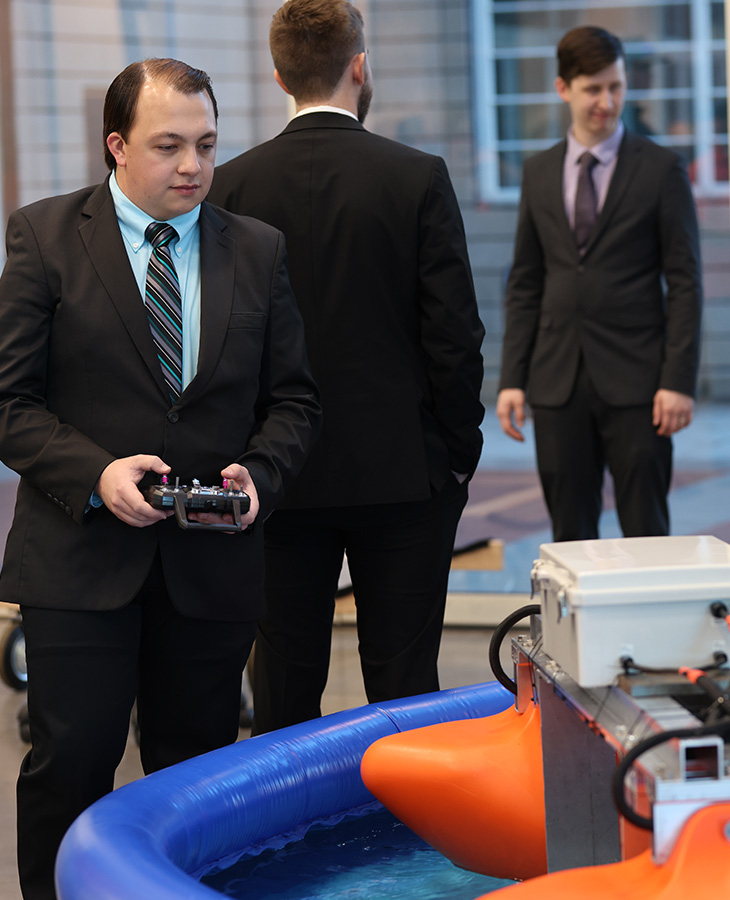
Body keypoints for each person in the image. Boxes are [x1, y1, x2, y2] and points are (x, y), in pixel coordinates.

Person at [0, 58, 321, 900]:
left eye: (207, 145)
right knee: (69, 768)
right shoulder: (41, 237)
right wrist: (97, 472)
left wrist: (260, 472)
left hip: (210, 568)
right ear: (116, 146)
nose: (194, 167)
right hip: (79, 564)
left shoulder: (256, 249)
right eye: (170, 146)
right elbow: (10, 404)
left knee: (199, 783)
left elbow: (293, 401)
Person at [208, 0, 485, 735]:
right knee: (404, 685)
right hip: (402, 473)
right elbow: (453, 335)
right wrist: (457, 453)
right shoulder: (417, 176)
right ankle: (404, 842)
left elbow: (218, 347)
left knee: (284, 685)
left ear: (278, 76)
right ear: (359, 67)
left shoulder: (231, 186)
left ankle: (283, 843)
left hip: (276, 476)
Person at [496, 26, 702, 542]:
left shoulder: (661, 170)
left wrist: (677, 380)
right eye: (593, 89)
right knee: (569, 536)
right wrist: (512, 378)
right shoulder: (539, 172)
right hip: (557, 384)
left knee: (647, 532)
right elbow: (526, 281)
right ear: (563, 88)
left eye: (616, 86)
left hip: (640, 386)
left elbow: (685, 281)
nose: (607, 102)